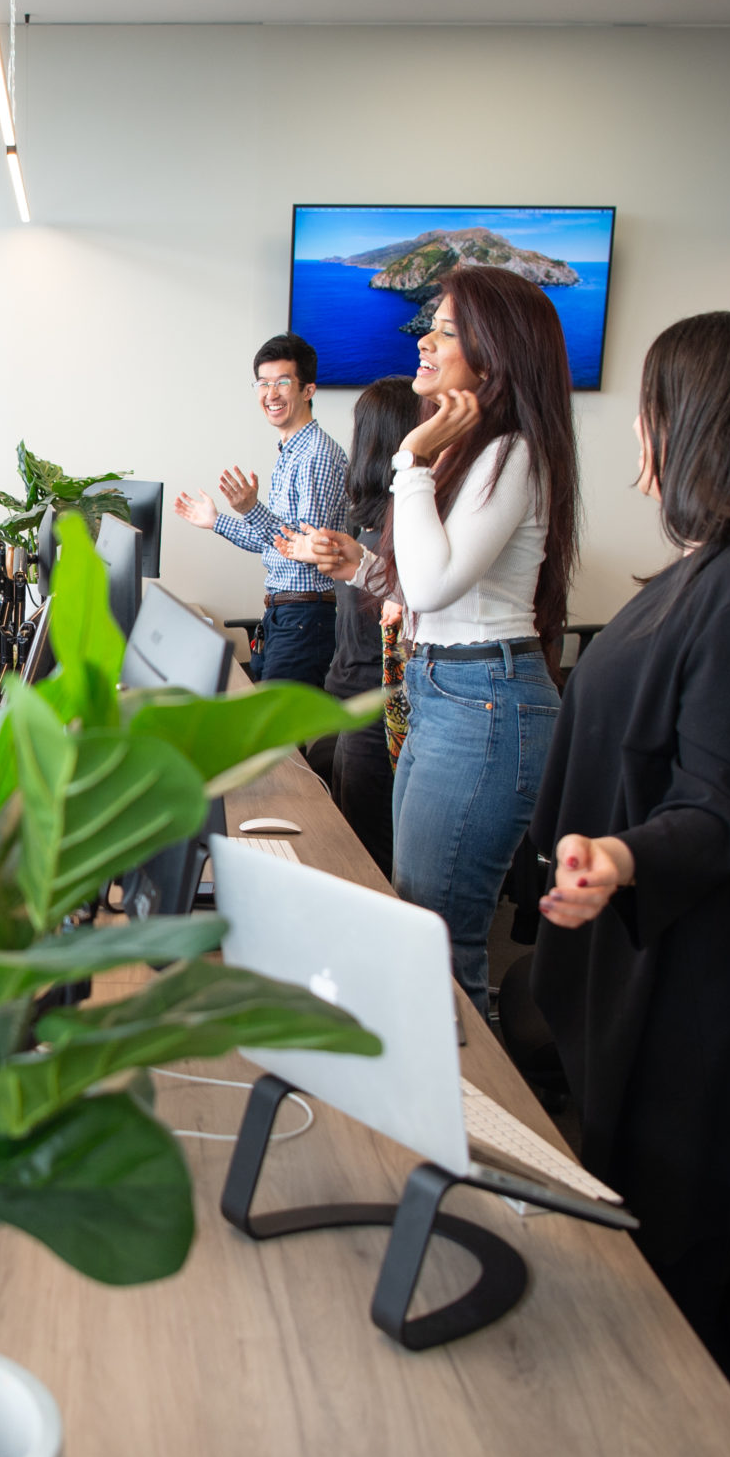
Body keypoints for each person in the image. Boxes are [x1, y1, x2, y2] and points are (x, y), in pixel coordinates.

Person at [529, 310, 730, 1379]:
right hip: (658, 969)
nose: (640, 430)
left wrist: (619, 859)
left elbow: (721, 805)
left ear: (699, 423)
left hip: (707, 1004)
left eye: (651, 408)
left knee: (670, 1314)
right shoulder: (712, 570)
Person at [275, 268, 580, 1014]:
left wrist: (409, 459)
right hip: (446, 690)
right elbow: (430, 588)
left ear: (494, 354)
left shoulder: (509, 453)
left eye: (445, 331)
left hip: (483, 701)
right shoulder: (470, 451)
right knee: (418, 921)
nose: (425, 341)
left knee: (441, 949)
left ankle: (465, 1094)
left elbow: (438, 586)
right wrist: (364, 567)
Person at [172, 333, 348, 689]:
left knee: (277, 725)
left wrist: (251, 508)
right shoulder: (290, 453)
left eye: (282, 383)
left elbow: (306, 548)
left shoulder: (316, 455)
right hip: (285, 613)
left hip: (305, 616)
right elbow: (272, 541)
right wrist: (216, 521)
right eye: (263, 383)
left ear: (308, 390)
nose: (271, 394)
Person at [314, 376, 423, 880]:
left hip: (373, 714)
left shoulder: (405, 537)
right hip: (349, 703)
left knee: (365, 865)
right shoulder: (368, 528)